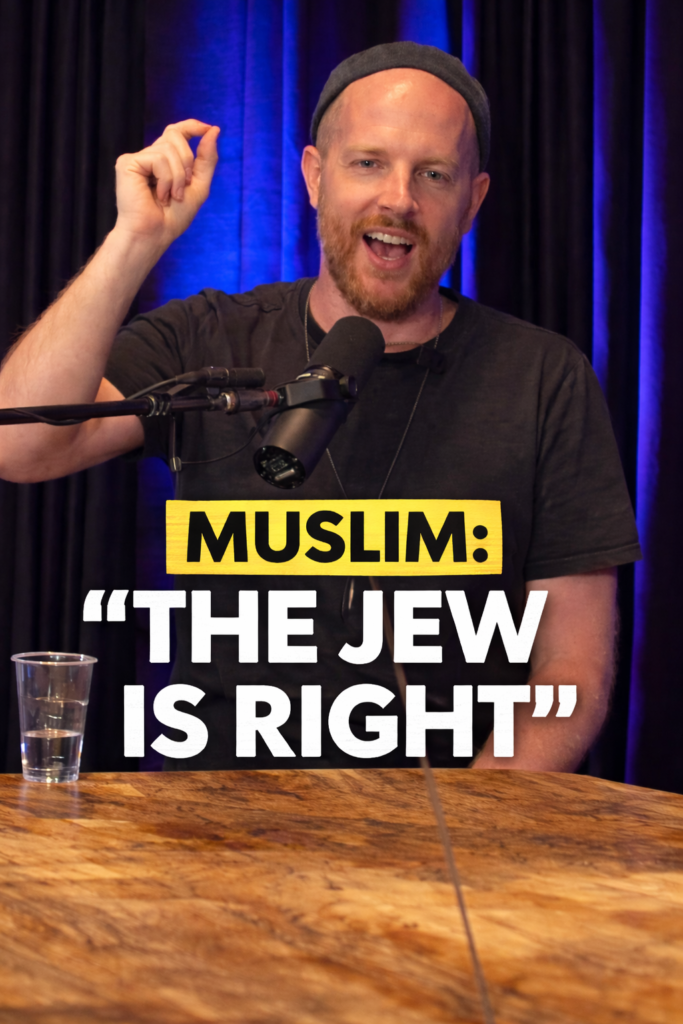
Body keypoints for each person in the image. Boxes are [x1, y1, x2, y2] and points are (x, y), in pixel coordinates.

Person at [0, 43, 640, 772]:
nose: (398, 199)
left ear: (472, 200)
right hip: (212, 820)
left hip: (444, 823)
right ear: (313, 176)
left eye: (433, 173)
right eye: (367, 162)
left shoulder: (544, 378)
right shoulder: (207, 339)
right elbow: (21, 445)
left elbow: (569, 670)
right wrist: (133, 241)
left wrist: (473, 826)